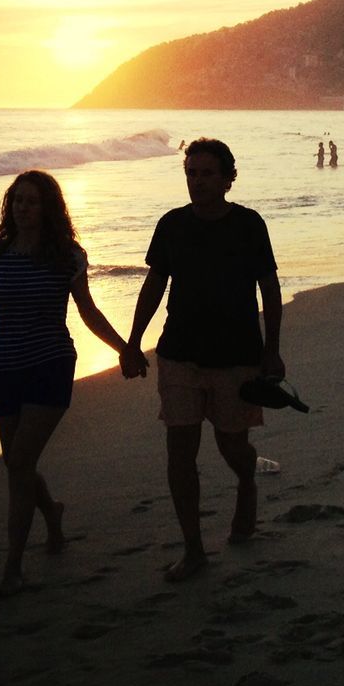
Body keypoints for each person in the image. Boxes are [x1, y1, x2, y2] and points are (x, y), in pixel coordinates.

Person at [0, 170, 139, 599]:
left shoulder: (66, 255)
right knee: (17, 463)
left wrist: (125, 347)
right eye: (17, 200)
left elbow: (88, 311)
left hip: (50, 364)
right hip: (5, 368)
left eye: (31, 201)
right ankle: (52, 512)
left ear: (48, 208)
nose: (23, 208)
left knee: (18, 465)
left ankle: (13, 567)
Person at [122, 139, 284, 583]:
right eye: (191, 173)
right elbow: (154, 284)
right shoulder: (172, 225)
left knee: (232, 445)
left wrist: (272, 349)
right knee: (180, 453)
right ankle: (193, 548)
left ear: (229, 178)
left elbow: (269, 289)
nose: (197, 181)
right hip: (179, 355)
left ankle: (247, 482)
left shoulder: (249, 225)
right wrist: (133, 342)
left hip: (236, 357)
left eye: (207, 173)